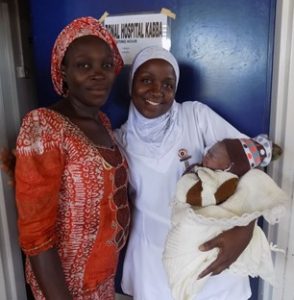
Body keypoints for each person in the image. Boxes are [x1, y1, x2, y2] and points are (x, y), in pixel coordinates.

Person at [114, 46, 274, 300]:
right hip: (153, 261)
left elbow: (255, 161)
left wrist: (244, 230)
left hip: (213, 253)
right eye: (146, 80)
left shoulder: (195, 116)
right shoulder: (119, 140)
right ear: (131, 84)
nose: (157, 91)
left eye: (168, 84)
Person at [14, 17, 130, 300]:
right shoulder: (44, 125)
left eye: (106, 65)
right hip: (63, 289)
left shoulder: (102, 122)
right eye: (84, 65)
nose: (98, 74)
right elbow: (36, 235)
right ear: (63, 71)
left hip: (103, 282)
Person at [163, 137, 288, 300]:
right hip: (187, 228)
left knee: (190, 264)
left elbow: (238, 200)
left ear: (229, 167)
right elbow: (197, 190)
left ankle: (184, 280)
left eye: (213, 154)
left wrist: (244, 228)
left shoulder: (228, 180)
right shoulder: (202, 171)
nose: (206, 154)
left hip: (207, 239)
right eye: (209, 151)